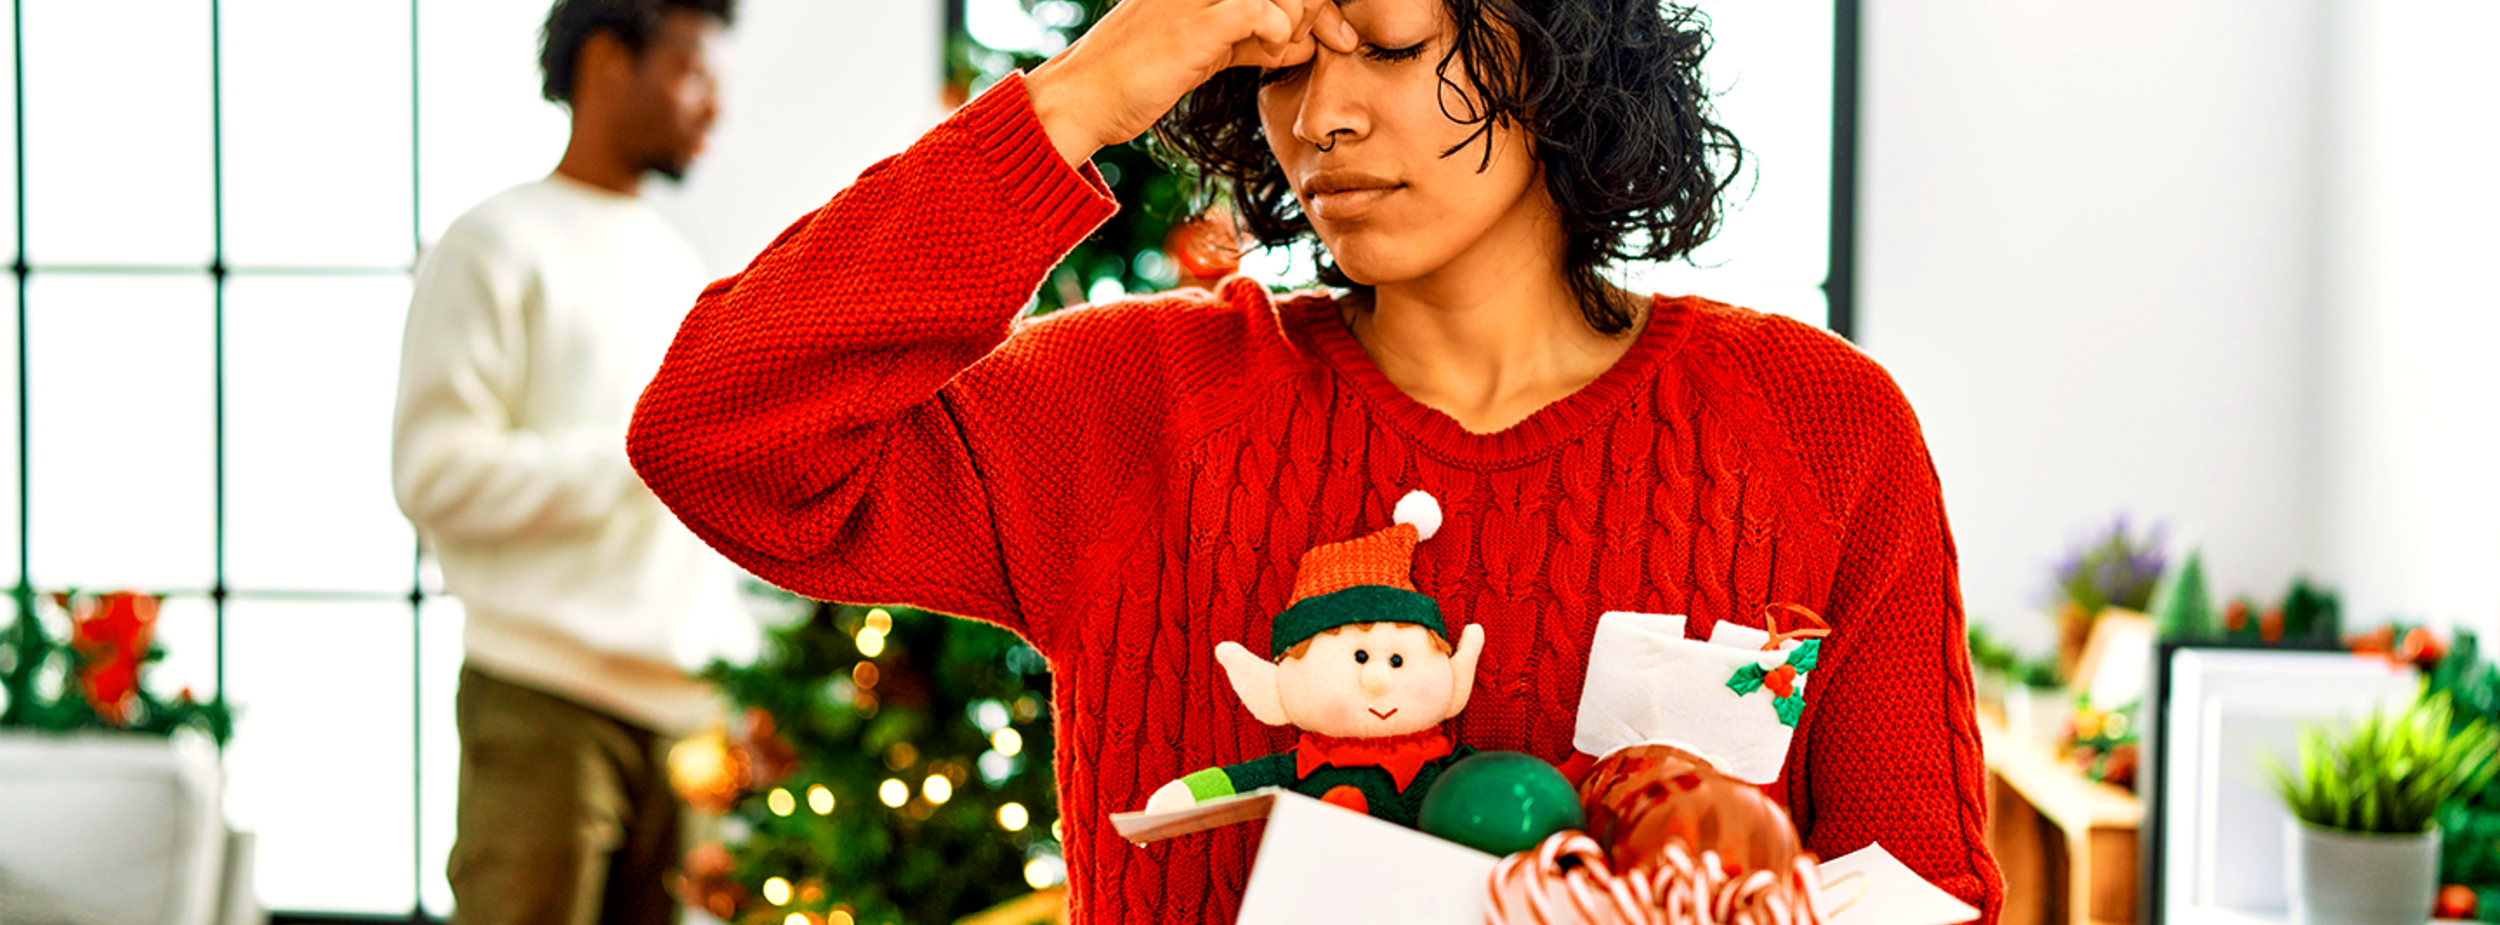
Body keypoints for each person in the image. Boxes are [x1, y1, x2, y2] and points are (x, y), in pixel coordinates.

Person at [628, 0, 2004, 921]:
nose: (1322, 116)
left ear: (1563, 49)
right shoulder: (1134, 408)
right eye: (1283, 60)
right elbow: (721, 437)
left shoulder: (1822, 427)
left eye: (1393, 42)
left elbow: (1926, 888)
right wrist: (1088, 90)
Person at [390, 1, 748, 922]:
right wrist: (641, 456)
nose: (714, 104)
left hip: (684, 718)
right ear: (603, 63)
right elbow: (433, 474)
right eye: (691, 69)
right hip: (545, 702)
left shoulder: (678, 263)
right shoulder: (494, 243)